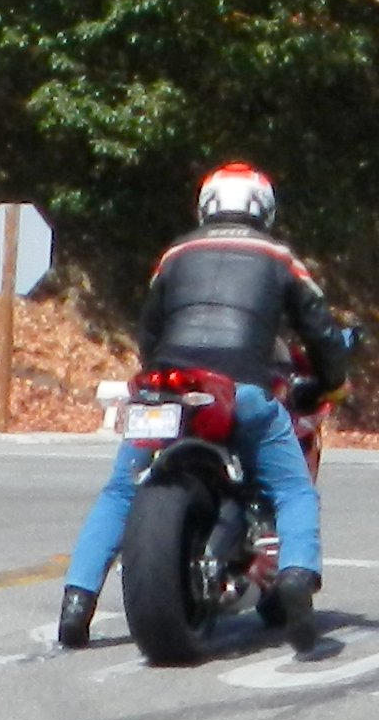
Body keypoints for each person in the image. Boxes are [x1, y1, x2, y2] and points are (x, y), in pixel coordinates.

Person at [63, 163, 350, 652]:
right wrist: (332, 383)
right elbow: (321, 331)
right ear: (264, 210)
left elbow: (149, 330)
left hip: (169, 387)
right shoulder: (279, 258)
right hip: (243, 388)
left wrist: (159, 376)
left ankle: (76, 601)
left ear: (206, 206)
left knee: (119, 489)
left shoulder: (175, 256)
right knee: (292, 488)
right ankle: (297, 577)